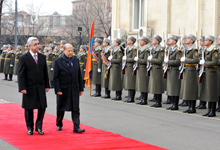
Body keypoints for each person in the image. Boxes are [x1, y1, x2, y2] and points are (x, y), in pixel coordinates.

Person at [18, 37, 50, 135]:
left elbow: (45, 72)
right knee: (29, 108)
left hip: (40, 86)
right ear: (29, 46)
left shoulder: (42, 57)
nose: (37, 46)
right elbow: (21, 74)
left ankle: (39, 127)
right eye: (35, 44)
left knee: (42, 107)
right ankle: (30, 128)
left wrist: (47, 85)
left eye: (38, 44)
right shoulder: (23, 58)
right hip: (29, 87)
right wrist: (22, 88)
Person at [53, 43, 85, 133]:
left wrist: (81, 88)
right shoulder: (58, 61)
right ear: (64, 51)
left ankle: (76, 127)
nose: (71, 52)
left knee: (76, 108)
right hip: (63, 89)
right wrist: (57, 89)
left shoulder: (76, 60)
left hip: (74, 88)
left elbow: (79, 75)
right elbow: (55, 77)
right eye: (69, 50)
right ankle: (59, 124)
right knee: (60, 108)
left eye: (72, 50)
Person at [199, 35, 219, 117]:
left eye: (207, 40)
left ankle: (212, 111)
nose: (205, 41)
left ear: (211, 41)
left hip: (212, 73)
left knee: (212, 92)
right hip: (206, 72)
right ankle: (209, 110)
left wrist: (205, 63)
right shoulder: (206, 49)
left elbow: (215, 62)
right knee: (208, 92)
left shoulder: (214, 50)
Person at [180, 34, 199, 113]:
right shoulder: (186, 48)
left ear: (192, 40)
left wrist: (186, 60)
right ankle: (189, 106)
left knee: (191, 89)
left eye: (188, 39)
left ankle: (193, 107)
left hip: (191, 70)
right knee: (187, 89)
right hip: (186, 69)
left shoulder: (194, 49)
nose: (186, 40)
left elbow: (196, 60)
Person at [165, 35, 182, 110]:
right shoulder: (169, 49)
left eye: (171, 39)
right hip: (170, 70)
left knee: (174, 88)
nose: (169, 40)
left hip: (175, 70)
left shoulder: (177, 50)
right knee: (171, 88)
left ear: (175, 41)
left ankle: (175, 104)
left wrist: (168, 62)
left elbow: (178, 61)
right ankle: (172, 103)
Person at [148, 35, 164, 107]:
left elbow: (160, 60)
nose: (152, 41)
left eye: (154, 39)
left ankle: (158, 102)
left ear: (157, 41)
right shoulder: (153, 49)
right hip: (153, 69)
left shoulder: (160, 49)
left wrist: (151, 59)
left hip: (157, 69)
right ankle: (156, 100)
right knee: (154, 85)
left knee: (157, 86)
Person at [135, 36, 150, 105]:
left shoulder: (146, 49)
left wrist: (139, 60)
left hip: (143, 68)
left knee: (144, 84)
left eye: (141, 41)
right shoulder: (140, 49)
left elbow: (146, 61)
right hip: (140, 68)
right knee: (141, 84)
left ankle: (144, 99)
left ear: (145, 42)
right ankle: (142, 98)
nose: (140, 42)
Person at [123, 36, 137, 103]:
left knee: (131, 83)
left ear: (132, 42)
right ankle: (129, 96)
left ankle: (131, 98)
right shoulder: (127, 48)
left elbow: (134, 59)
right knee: (128, 82)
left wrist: (127, 59)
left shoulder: (134, 49)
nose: (127, 41)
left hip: (131, 67)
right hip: (127, 67)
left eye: (128, 40)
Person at [196, 36, 207, 109]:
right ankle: (201, 102)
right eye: (200, 41)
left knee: (204, 87)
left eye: (202, 41)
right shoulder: (200, 49)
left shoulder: (206, 49)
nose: (200, 42)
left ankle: (203, 103)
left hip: (205, 69)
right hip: (200, 68)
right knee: (200, 87)